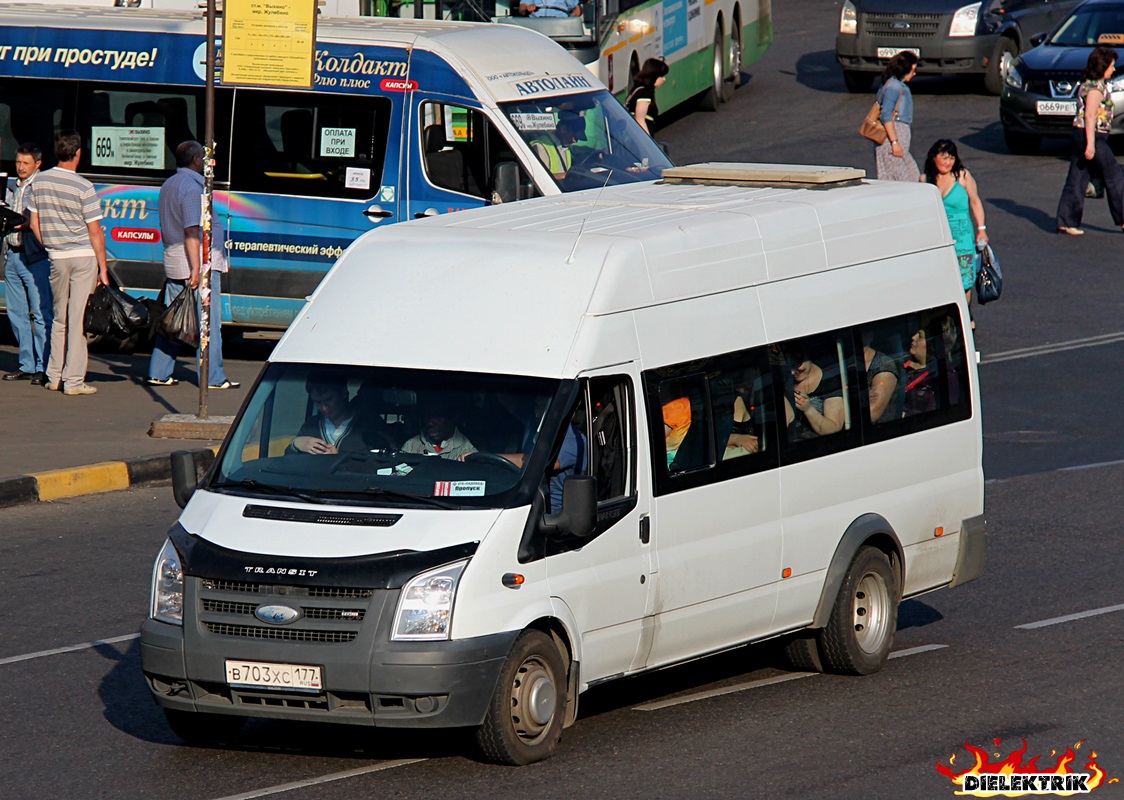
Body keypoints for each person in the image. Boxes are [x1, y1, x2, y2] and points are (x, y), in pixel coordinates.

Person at [146, 141, 240, 390]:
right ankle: (213, 377)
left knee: (176, 318)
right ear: (197, 160)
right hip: (195, 263)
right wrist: (197, 269)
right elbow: (191, 230)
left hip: (175, 260)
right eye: (205, 158)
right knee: (208, 322)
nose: (208, 162)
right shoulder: (191, 188)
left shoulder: (171, 184)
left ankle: (159, 371)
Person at [28, 130, 109, 396]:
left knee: (59, 317)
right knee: (78, 320)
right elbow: (95, 231)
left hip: (57, 256)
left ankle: (54, 375)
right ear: (78, 154)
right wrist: (103, 268)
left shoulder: (39, 182)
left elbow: (34, 223)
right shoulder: (84, 186)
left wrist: (50, 245)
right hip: (83, 255)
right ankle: (74, 380)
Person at [1055, 46, 1124, 236]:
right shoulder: (1096, 89)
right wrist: (1091, 144)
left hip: (1080, 133)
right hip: (1092, 135)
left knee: (1077, 176)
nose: (1114, 69)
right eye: (1111, 66)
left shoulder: (1087, 83)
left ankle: (1066, 221)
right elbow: (1090, 115)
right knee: (1114, 175)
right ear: (1102, 67)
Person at [3, 143, 51, 385]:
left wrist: (17, 222)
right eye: (18, 162)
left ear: (38, 164)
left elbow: (37, 221)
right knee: (16, 314)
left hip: (34, 257)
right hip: (12, 253)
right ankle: (27, 364)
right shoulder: (11, 185)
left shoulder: (42, 186)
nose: (20, 167)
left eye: (25, 163)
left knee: (41, 313)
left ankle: (43, 366)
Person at [922, 139, 988, 308]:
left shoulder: (962, 176)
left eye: (951, 158)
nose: (948, 162)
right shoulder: (925, 180)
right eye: (944, 158)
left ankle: (966, 315)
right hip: (939, 237)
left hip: (962, 238)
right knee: (941, 278)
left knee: (965, 281)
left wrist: (981, 229)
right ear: (934, 158)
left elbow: (975, 202)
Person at [287, 374, 388, 455]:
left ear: (344, 393)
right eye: (318, 402)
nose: (323, 408)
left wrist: (337, 459)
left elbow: (380, 466)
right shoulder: (311, 425)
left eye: (329, 400)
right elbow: (287, 463)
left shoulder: (370, 424)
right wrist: (296, 444)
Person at [874, 51, 920, 182]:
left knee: (913, 177)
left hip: (898, 143)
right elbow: (886, 116)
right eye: (913, 70)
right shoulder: (894, 87)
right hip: (892, 142)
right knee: (900, 181)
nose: (914, 74)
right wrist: (894, 142)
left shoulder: (895, 85)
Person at [784, 348, 845, 440]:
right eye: (789, 366)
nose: (792, 372)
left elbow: (834, 429)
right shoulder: (785, 383)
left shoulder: (829, 381)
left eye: (797, 364)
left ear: (808, 355)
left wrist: (808, 409)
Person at [401, 403, 477, 459]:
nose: (430, 423)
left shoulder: (467, 450)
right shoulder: (411, 445)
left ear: (452, 420)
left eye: (438, 417)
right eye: (428, 417)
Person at [862, 330, 902, 424]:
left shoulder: (883, 364)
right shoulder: (845, 363)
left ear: (872, 335)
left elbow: (872, 412)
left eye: (864, 330)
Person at [529, 115, 582, 181]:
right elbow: (540, 179)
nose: (575, 141)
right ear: (563, 129)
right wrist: (568, 175)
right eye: (574, 136)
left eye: (577, 138)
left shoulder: (566, 148)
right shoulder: (540, 147)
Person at [626, 58, 669, 136]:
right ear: (654, 76)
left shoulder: (637, 89)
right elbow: (640, 119)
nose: (664, 79)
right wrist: (648, 144)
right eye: (661, 76)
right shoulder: (644, 94)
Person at [515, 0, 580, 16]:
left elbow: (577, 11)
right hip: (536, 24)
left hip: (560, 25)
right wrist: (528, 8)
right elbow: (522, 9)